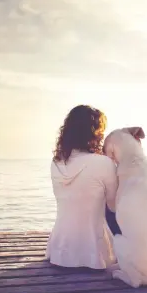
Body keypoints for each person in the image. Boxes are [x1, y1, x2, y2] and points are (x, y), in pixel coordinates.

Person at [46, 105, 118, 269]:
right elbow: (113, 206)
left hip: (59, 252)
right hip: (94, 254)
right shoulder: (104, 163)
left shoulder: (56, 162)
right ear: (95, 133)